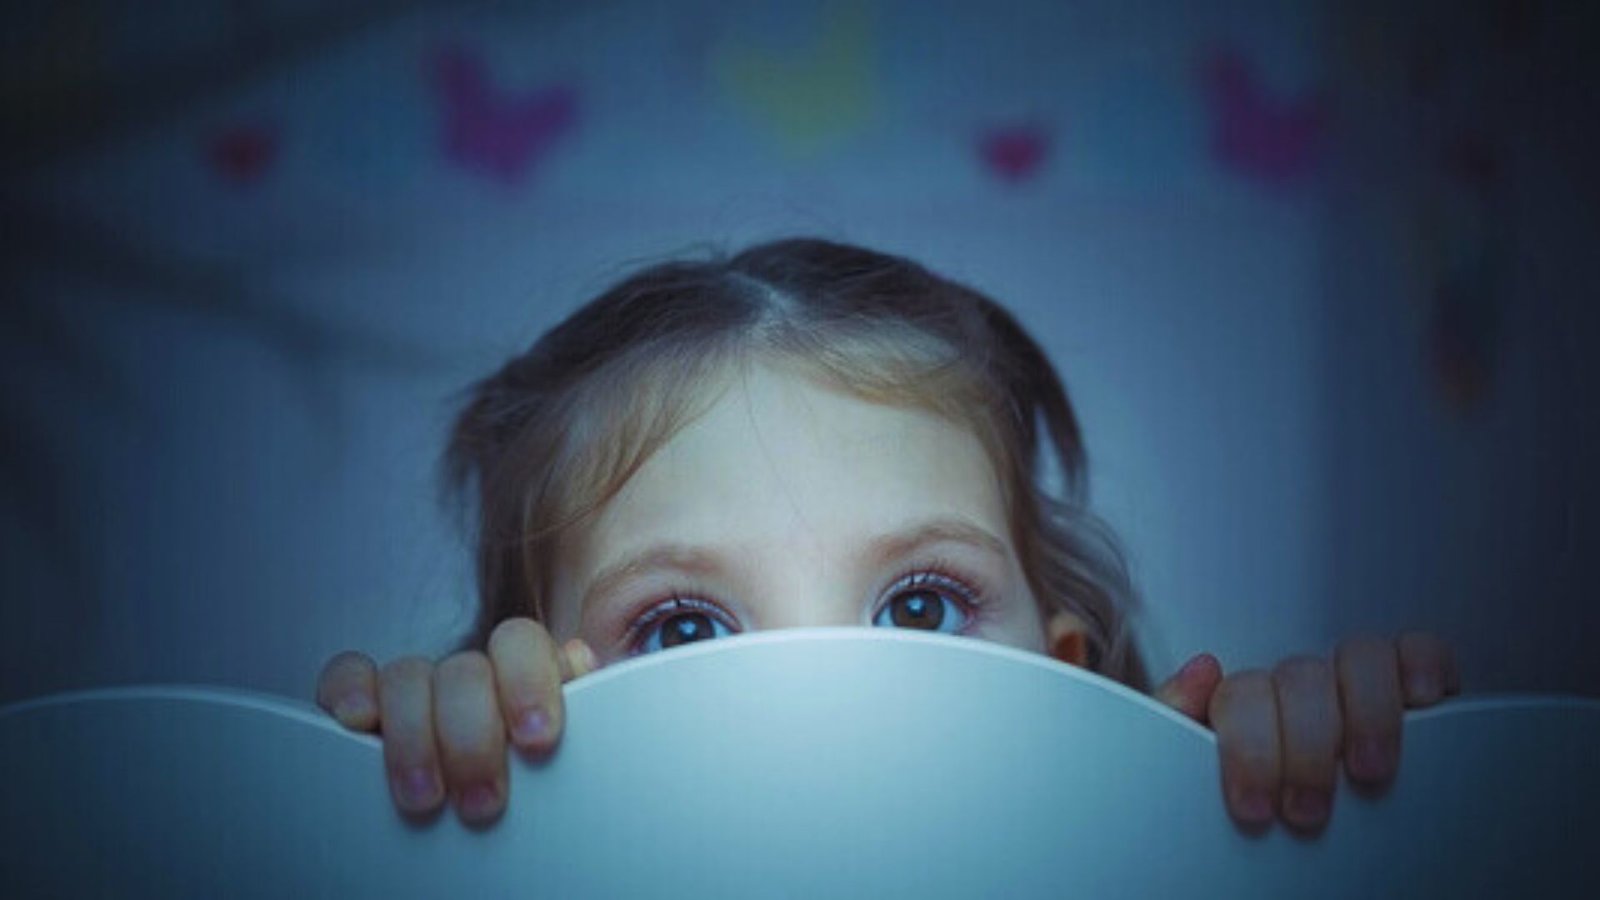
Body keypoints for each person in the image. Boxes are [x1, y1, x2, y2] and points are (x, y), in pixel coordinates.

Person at [315, 237, 1460, 835]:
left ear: (1059, 670)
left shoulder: (1165, 850)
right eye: (680, 629)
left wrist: (1324, 815)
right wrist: (414, 816)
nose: (829, 702)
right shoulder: (506, 817)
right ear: (534, 697)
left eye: (918, 606)